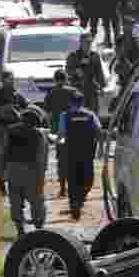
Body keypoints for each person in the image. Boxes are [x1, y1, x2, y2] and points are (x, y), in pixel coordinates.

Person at [4, 107, 50, 238]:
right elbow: (41, 158)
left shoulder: (11, 131)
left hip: (13, 171)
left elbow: (3, 152)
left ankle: (20, 230)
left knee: (16, 201)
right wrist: (41, 178)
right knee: (37, 201)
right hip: (31, 172)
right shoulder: (38, 135)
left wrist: (2, 174)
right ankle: (39, 229)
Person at [0, 71, 31, 194]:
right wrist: (1, 110)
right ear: (3, 80)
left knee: (20, 155)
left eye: (12, 79)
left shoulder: (16, 94)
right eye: (9, 79)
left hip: (16, 129)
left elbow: (27, 106)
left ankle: (19, 182)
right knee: (1, 156)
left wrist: (22, 111)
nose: (12, 81)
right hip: (1, 129)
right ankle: (1, 181)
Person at [59, 90, 102, 220]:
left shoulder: (65, 115)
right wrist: (100, 149)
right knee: (88, 179)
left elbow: (61, 134)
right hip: (87, 153)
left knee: (73, 180)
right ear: (82, 102)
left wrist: (60, 145)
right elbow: (99, 131)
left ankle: (75, 204)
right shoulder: (90, 115)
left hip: (71, 153)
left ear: (70, 102)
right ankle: (80, 200)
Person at [44, 70, 80, 199]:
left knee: (62, 161)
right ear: (66, 79)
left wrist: (51, 129)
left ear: (55, 80)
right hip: (75, 130)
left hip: (59, 133)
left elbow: (47, 114)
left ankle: (63, 188)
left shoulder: (50, 93)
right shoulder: (73, 91)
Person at [66, 32, 107, 112]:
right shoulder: (73, 56)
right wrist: (75, 71)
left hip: (91, 89)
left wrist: (102, 87)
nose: (88, 44)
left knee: (93, 112)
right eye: (86, 42)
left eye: (89, 42)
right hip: (78, 89)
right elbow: (67, 70)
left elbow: (99, 72)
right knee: (79, 112)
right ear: (81, 42)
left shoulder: (95, 55)